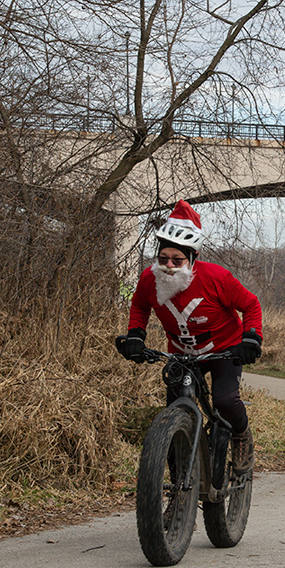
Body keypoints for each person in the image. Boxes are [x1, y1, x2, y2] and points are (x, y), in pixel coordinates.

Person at [116, 199, 263, 474]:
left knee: (224, 400)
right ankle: (177, 489)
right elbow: (139, 305)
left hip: (224, 350)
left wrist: (251, 338)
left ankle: (241, 436)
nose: (169, 265)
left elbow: (251, 305)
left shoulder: (216, 278)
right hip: (181, 353)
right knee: (174, 413)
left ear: (192, 258)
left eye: (177, 259)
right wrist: (136, 335)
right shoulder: (150, 278)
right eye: (163, 258)